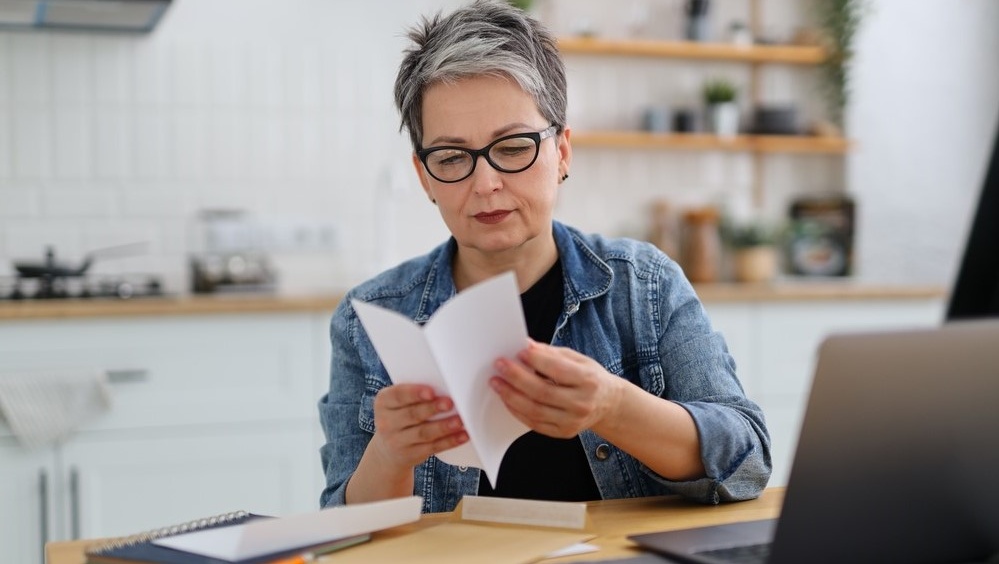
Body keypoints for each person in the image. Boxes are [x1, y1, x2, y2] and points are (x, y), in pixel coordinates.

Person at [318, 0, 771, 514]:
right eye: (451, 158)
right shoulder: (370, 318)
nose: (485, 183)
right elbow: (343, 527)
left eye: (512, 148)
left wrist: (613, 406)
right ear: (424, 178)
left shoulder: (643, 287)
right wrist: (390, 453)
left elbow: (748, 461)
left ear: (562, 152)